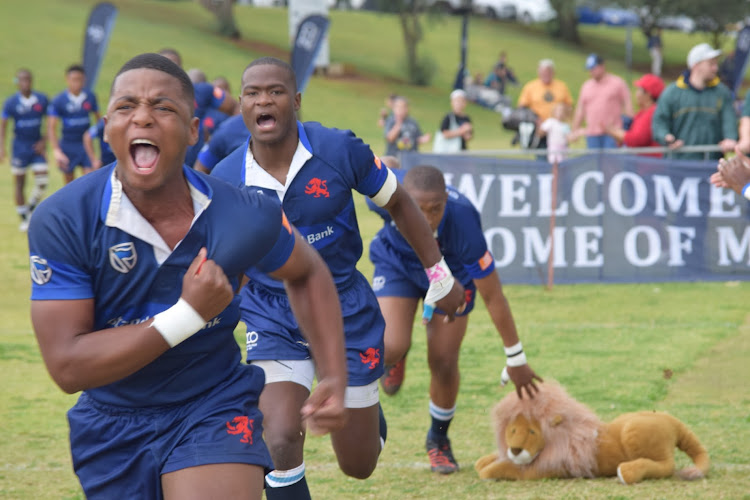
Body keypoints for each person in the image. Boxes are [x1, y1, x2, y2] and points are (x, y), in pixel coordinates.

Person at [28, 52, 349, 500]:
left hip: (213, 403)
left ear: (194, 131)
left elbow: (308, 270)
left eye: (163, 107)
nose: (142, 117)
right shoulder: (63, 218)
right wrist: (188, 315)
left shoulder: (242, 212)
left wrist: (333, 372)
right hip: (112, 423)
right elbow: (66, 365)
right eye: (126, 107)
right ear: (107, 127)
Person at [211, 56, 466, 500]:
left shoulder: (339, 150)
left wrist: (439, 275)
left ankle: (370, 419)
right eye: (252, 93)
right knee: (281, 436)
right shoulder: (225, 178)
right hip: (273, 314)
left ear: (296, 101)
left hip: (347, 309)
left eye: (274, 91)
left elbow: (401, 203)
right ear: (241, 104)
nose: (263, 100)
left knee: (359, 466)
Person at [369, 160, 542, 475]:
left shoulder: (463, 221)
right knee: (390, 344)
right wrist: (384, 162)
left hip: (451, 277)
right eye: (417, 209)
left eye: (435, 209)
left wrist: (515, 357)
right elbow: (354, 172)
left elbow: (493, 295)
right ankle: (397, 355)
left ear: (446, 200)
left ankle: (438, 440)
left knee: (444, 360)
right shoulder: (385, 193)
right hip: (398, 266)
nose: (426, 218)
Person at [652, 43, 738, 160]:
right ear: (696, 65)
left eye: (715, 64)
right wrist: (666, 137)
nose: (715, 68)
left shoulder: (722, 93)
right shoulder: (672, 92)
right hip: (679, 164)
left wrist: (730, 138)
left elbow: (729, 121)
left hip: (712, 164)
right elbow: (659, 122)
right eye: (710, 64)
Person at [158, 48, 238, 168]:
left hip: (192, 167)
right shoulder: (143, 99)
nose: (168, 72)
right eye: (162, 67)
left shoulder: (201, 90)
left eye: (173, 67)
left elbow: (234, 107)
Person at [0, 68, 49, 231]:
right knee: (20, 183)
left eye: (27, 80)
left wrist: (44, 141)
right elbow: (3, 126)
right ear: (17, 83)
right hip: (19, 147)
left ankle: (30, 208)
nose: (25, 83)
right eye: (21, 80)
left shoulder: (41, 99)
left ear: (32, 81)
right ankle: (23, 219)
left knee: (43, 181)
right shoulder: (11, 102)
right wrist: (1, 147)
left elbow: (51, 122)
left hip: (36, 147)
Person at [47, 64, 100, 184]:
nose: (77, 83)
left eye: (80, 80)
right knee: (69, 184)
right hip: (68, 145)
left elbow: (99, 121)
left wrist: (99, 141)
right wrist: (56, 150)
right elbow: (51, 127)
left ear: (84, 80)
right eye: (74, 80)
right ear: (67, 80)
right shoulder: (59, 100)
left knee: (89, 180)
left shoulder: (90, 97)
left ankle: (88, 203)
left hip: (85, 144)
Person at [571, 54, 633, 149]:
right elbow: (580, 110)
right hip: (592, 133)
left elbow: (628, 105)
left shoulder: (617, 83)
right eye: (589, 69)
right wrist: (575, 130)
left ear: (602, 66)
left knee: (611, 161)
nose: (591, 72)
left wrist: (630, 127)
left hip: (612, 132)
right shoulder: (586, 86)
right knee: (595, 162)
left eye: (593, 68)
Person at [517, 59, 574, 152]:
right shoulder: (531, 87)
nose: (546, 75)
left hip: (557, 129)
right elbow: (521, 108)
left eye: (548, 72)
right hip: (541, 129)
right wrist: (534, 119)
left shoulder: (561, 86)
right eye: (543, 72)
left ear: (553, 72)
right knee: (542, 156)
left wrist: (563, 119)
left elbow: (569, 106)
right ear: (539, 72)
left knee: (559, 155)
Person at [605, 73, 665, 158]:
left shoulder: (653, 112)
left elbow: (638, 139)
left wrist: (616, 132)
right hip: (642, 165)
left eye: (639, 90)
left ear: (648, 94)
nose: (636, 94)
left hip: (651, 166)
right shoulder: (642, 112)